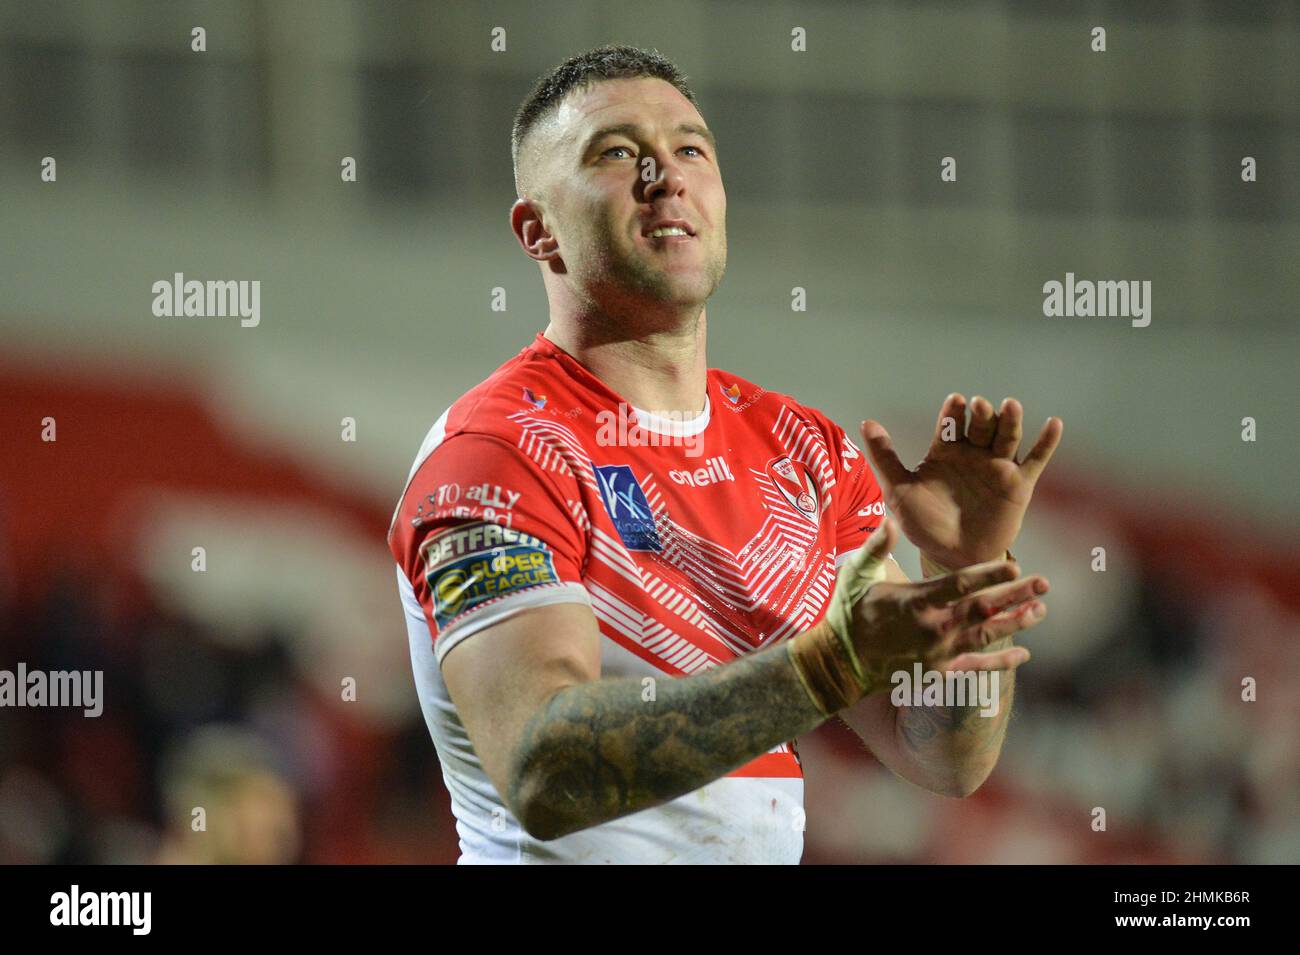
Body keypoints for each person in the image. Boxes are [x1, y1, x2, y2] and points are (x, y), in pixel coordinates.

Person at [388, 45, 1063, 864]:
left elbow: (941, 756)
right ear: (538, 230)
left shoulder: (801, 450)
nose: (665, 175)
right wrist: (823, 668)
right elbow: (543, 771)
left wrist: (965, 574)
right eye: (617, 152)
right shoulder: (497, 453)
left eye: (691, 148)